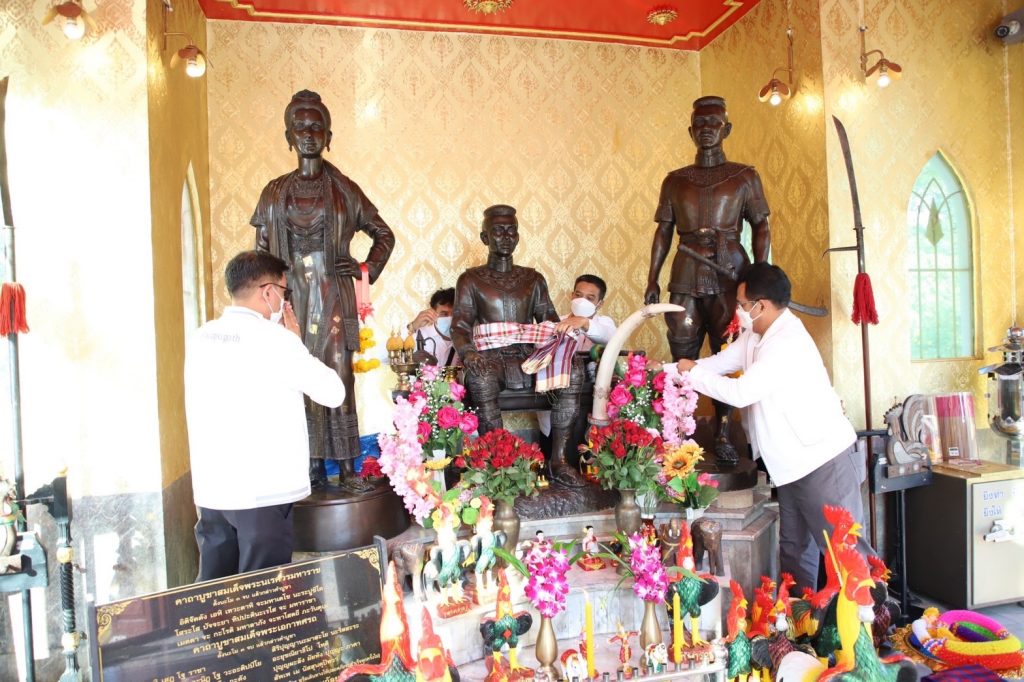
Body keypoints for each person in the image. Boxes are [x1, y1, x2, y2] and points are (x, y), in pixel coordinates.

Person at [664, 263, 873, 593]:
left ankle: (867, 621)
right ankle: (798, 619)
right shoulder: (755, 335)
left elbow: (740, 392)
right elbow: (719, 364)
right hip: (789, 466)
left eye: (741, 304)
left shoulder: (787, 341)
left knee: (844, 552)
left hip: (822, 461)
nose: (738, 310)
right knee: (794, 552)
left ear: (760, 305)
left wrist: (691, 373)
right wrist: (670, 371)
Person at [252, 89, 395, 489]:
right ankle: (311, 468)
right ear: (288, 136)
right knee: (296, 376)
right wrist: (269, 300)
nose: (308, 134)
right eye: (299, 126)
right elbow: (261, 252)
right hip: (291, 299)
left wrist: (365, 267)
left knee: (337, 376)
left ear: (329, 135)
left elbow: (384, 235)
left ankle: (347, 469)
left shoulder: (344, 189)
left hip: (334, 295)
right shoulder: (274, 192)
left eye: (316, 126)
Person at [185, 251, 346, 581]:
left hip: (213, 487)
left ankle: (214, 619)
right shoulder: (277, 340)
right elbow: (333, 392)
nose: (283, 301)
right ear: (268, 291)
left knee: (214, 585)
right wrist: (296, 343)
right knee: (262, 590)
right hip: (263, 491)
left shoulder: (201, 336)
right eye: (284, 292)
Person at [645, 95, 771, 466]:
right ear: (690, 131)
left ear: (726, 129)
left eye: (713, 123)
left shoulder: (744, 176)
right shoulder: (675, 180)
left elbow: (761, 225)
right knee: (681, 349)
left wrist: (759, 274)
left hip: (730, 273)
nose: (706, 130)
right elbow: (663, 232)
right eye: (699, 124)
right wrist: (652, 278)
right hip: (686, 270)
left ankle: (723, 431)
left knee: (726, 350)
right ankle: (679, 431)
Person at [451, 204, 586, 486]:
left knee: (573, 371)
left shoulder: (532, 279)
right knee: (481, 378)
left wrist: (563, 343)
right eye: (498, 231)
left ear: (519, 236)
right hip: (491, 356)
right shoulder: (471, 279)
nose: (506, 237)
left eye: (511, 231)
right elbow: (461, 325)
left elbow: (549, 320)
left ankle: (559, 461)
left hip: (530, 354)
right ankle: (496, 465)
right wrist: (468, 353)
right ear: (485, 237)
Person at [538, 274, 617, 437]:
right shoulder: (556, 321)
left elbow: (610, 337)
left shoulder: (604, 323)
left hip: (589, 397)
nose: (582, 301)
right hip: (557, 395)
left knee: (586, 441)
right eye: (578, 295)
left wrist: (584, 323)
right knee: (552, 440)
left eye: (590, 298)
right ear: (572, 295)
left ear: (600, 303)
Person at [407, 287, 460, 367]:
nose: (450, 318)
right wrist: (413, 326)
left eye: (455, 314)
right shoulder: (420, 335)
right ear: (432, 312)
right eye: (444, 314)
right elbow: (387, 357)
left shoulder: (467, 338)